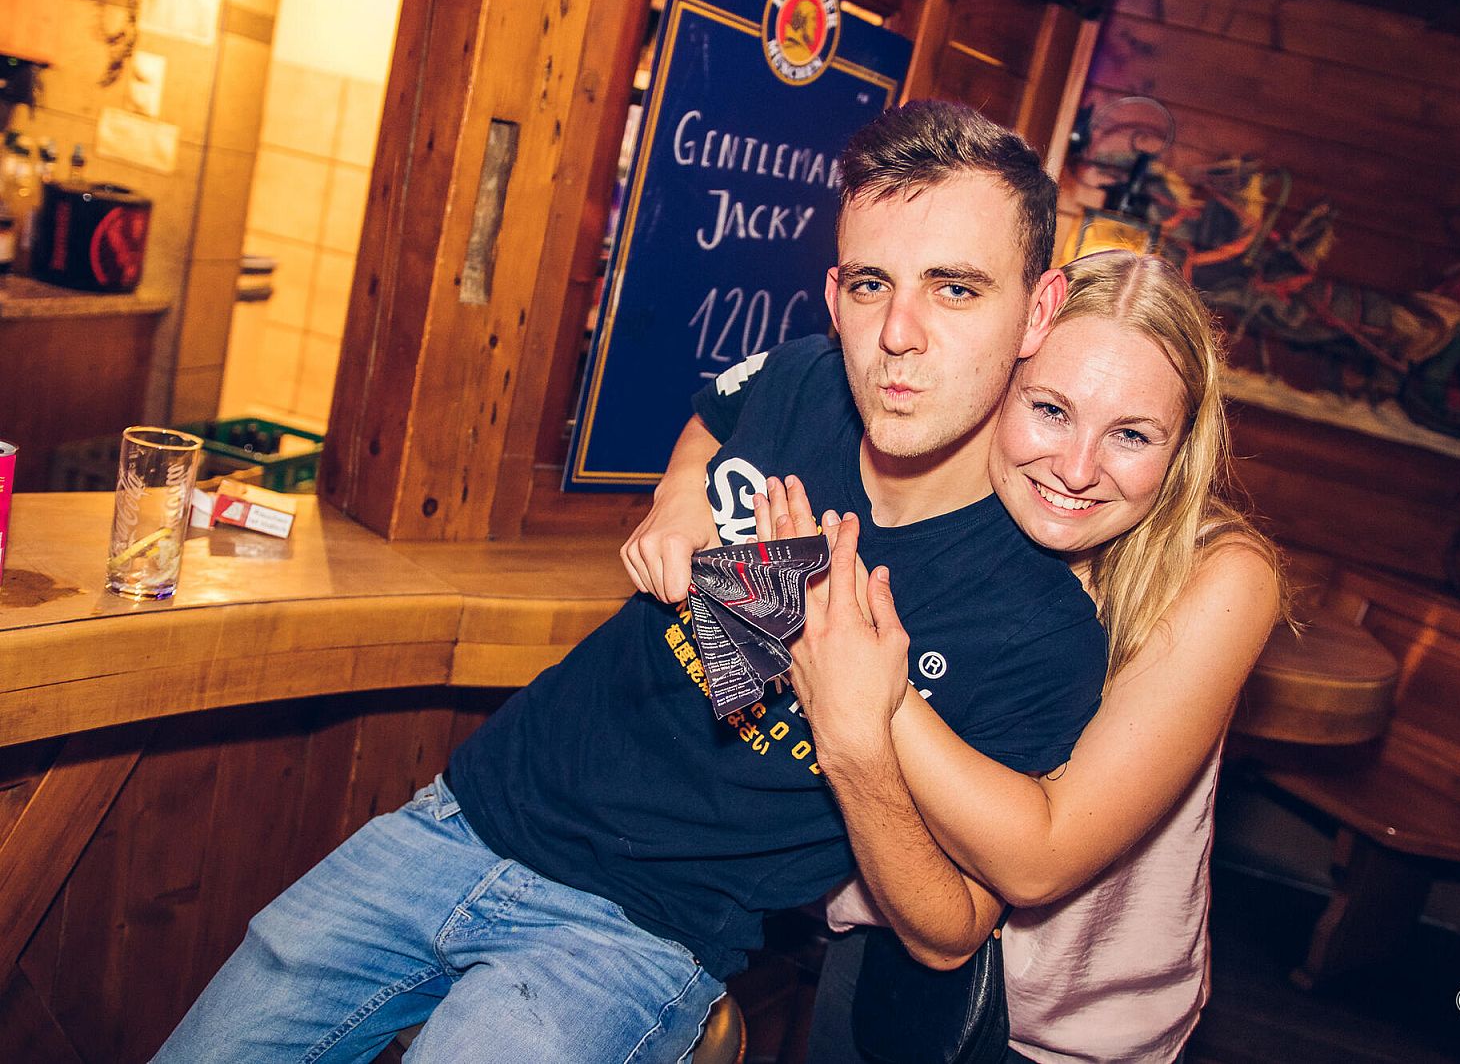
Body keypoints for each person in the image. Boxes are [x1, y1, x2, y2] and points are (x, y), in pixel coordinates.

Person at [154, 101, 1107, 1064]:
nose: (898, 333)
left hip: (635, 935)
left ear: (1038, 309)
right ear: (833, 294)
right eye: (871, 283)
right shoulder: (807, 378)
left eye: (955, 289)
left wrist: (858, 732)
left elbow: (950, 933)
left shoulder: (1038, 625)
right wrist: (680, 493)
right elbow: (712, 417)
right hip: (466, 814)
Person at [633, 249, 1287, 1062]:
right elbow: (741, 397)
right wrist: (683, 490)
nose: (1077, 468)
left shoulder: (1220, 575)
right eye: (1050, 409)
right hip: (881, 950)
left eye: (1130, 433)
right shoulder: (931, 476)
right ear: (996, 386)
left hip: (1065, 1029)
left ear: (1184, 445)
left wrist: (858, 666)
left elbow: (1041, 860)